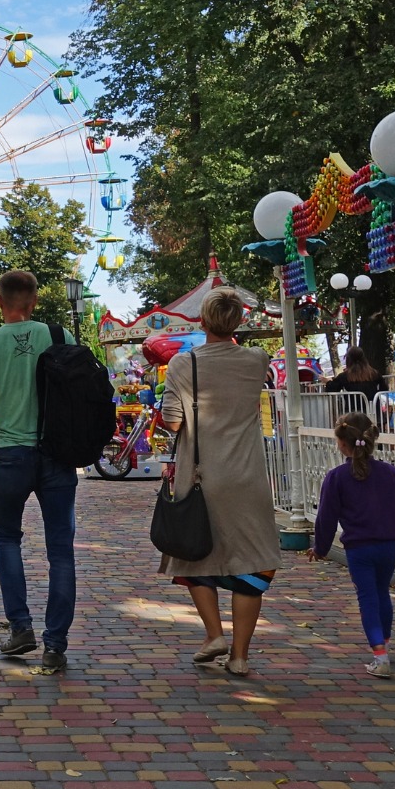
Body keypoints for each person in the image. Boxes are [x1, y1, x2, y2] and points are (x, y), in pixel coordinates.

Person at [156, 287, 279, 677]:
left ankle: (214, 635)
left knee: (193, 553)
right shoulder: (257, 360)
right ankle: (240, 656)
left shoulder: (182, 364)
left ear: (202, 321)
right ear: (239, 321)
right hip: (248, 478)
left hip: (201, 477)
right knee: (253, 564)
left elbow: (173, 422)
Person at [0, 270, 77, 675]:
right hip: (57, 453)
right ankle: (55, 646)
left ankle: (21, 626)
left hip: (10, 455)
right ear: (35, 300)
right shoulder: (60, 337)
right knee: (60, 549)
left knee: (7, 538)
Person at [313, 413, 395, 678]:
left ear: (341, 443)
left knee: (367, 598)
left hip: (358, 549)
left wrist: (320, 548)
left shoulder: (336, 477)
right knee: (382, 594)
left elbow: (326, 517)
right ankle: (384, 646)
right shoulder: (390, 473)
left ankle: (379, 655)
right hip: (387, 546)